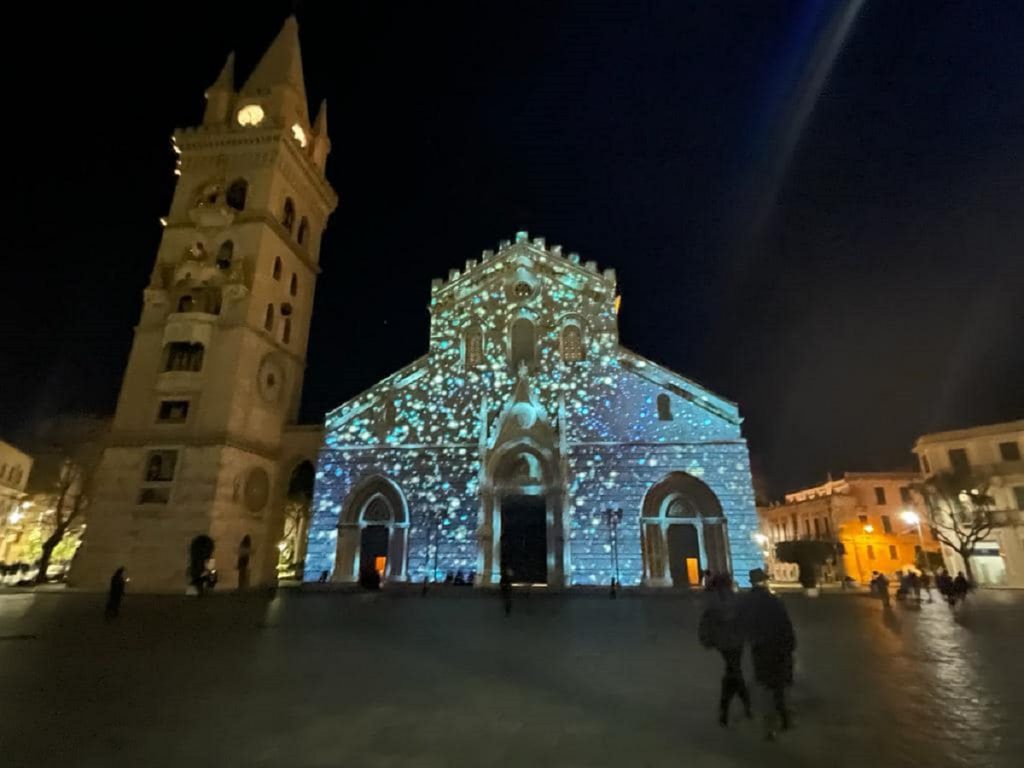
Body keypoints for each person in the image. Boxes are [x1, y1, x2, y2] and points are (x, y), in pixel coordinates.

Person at [739, 568, 796, 740]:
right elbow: (785, 625)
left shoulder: (746, 602)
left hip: (759, 649)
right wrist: (790, 646)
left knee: (764, 685)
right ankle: (784, 719)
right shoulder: (774, 601)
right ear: (764, 582)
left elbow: (742, 625)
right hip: (778, 648)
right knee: (778, 686)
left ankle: (770, 727)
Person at [698, 573, 751, 726]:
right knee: (734, 672)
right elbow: (743, 618)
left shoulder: (711, 601)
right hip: (736, 640)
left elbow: (706, 623)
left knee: (733, 671)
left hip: (722, 643)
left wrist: (707, 640)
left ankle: (727, 710)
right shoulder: (735, 599)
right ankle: (742, 706)